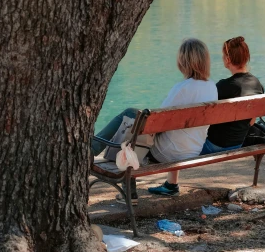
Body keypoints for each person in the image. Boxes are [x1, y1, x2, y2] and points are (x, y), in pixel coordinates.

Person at [92, 38, 217, 201]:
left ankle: (92, 150)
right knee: (155, 128)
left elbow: (157, 122)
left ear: (182, 61)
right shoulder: (211, 87)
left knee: (132, 117)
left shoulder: (182, 88)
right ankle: (171, 185)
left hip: (169, 152)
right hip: (193, 149)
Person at [201, 35, 264, 155]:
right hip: (238, 143)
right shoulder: (257, 84)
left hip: (213, 145)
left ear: (228, 59)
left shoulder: (222, 86)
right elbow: (251, 122)